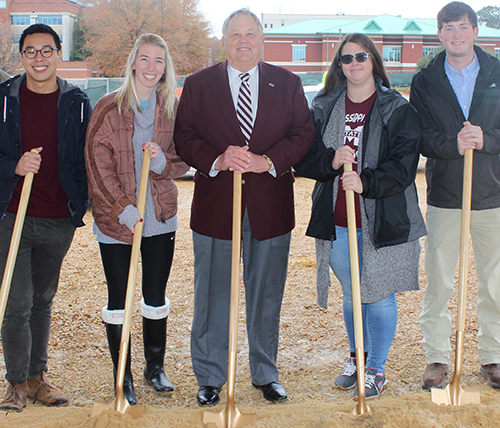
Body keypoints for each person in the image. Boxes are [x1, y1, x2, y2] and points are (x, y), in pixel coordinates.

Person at [174, 8, 315, 406]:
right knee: (212, 293)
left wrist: (266, 161)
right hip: (216, 207)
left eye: (250, 33)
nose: (243, 41)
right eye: (235, 34)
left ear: (262, 39)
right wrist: (218, 159)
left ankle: (265, 373)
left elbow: (303, 133)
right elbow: (184, 137)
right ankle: (210, 376)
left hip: (270, 207)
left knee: (267, 294)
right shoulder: (199, 84)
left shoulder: (287, 83)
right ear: (223, 40)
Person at [294, 33, 426, 400]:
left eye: (361, 57)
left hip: (381, 218)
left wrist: (365, 181)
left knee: (379, 294)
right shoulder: (323, 107)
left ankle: (377, 369)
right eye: (346, 58)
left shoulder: (396, 109)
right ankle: (357, 357)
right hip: (337, 218)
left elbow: (403, 167)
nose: (354, 64)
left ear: (373, 62)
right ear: (339, 65)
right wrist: (330, 160)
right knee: (352, 294)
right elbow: (304, 159)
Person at [85, 34, 189, 405]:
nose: (150, 67)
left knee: (155, 294)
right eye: (144, 59)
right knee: (118, 297)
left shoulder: (172, 109)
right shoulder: (108, 106)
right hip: (118, 221)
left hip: (160, 217)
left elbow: (183, 158)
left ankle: (154, 367)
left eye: (158, 61)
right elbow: (97, 166)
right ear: (132, 62)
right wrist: (123, 209)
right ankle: (122, 373)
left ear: (166, 67)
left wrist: (161, 162)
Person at [0, 23, 92, 412]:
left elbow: (86, 157)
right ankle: (16, 383)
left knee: (41, 300)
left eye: (46, 50)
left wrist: (82, 204)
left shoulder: (77, 100)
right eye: (31, 51)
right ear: (21, 57)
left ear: (58, 54)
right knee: (15, 302)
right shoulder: (4, 98)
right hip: (11, 214)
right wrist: (13, 166)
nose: (39, 58)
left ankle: (38, 378)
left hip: (57, 215)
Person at [410, 1, 500, 390]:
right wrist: (453, 143)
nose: (457, 35)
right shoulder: (426, 79)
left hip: (492, 193)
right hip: (446, 193)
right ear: (440, 33)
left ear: (475, 31)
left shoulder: (498, 72)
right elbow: (420, 135)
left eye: (463, 27)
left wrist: (486, 139)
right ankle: (437, 357)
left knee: (494, 282)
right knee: (441, 280)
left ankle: (493, 356)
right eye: (449, 28)